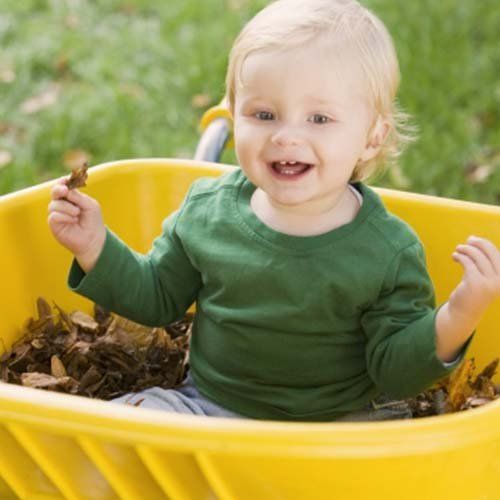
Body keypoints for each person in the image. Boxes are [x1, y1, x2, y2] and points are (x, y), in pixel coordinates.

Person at [47, 0, 500, 422]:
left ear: (372, 137)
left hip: (343, 422)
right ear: (235, 115)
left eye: (319, 119)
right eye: (264, 115)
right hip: (212, 411)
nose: (286, 136)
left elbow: (396, 370)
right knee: (121, 426)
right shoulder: (208, 213)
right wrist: (95, 247)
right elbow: (157, 298)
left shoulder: (387, 251)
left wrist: (460, 312)